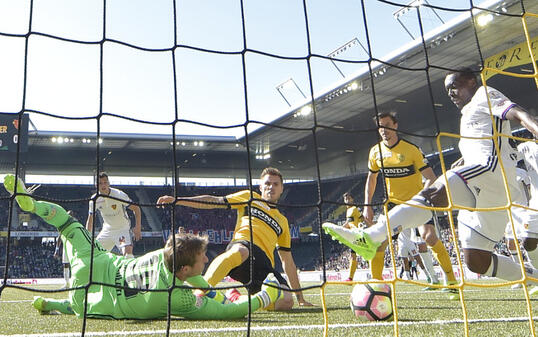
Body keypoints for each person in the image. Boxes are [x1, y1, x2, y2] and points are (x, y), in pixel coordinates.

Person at [324, 67, 538, 289]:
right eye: (447, 90)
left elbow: (519, 113)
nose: (451, 93)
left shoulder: (484, 94)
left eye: (454, 86)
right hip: (491, 192)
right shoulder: (468, 116)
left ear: (471, 82)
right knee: (476, 260)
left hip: (490, 175)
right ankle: (535, 277)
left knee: (435, 190)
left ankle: (371, 236)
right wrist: (462, 162)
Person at [3, 174, 281, 319]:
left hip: (97, 263)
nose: (206, 261)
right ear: (186, 269)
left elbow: (186, 261)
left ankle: (35, 204)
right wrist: (264, 297)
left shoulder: (166, 254)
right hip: (96, 301)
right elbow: (227, 311)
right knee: (79, 306)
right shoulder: (180, 300)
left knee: (66, 223)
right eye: (202, 259)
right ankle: (55, 303)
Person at [157, 167, 313, 310]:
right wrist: (179, 200)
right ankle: (200, 292)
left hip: (263, 266)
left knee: (286, 302)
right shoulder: (249, 197)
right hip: (243, 248)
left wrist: (300, 297)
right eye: (267, 183)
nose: (271, 187)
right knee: (242, 250)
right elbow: (215, 201)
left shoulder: (283, 221)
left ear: (281, 189)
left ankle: (237, 298)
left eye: (275, 184)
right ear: (260, 187)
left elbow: (287, 261)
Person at [353, 111, 457, 293]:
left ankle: (452, 281)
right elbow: (372, 179)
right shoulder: (375, 152)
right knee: (379, 243)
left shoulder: (412, 150)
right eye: (380, 127)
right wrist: (367, 205)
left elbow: (431, 177)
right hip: (393, 205)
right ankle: (376, 288)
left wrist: (423, 196)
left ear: (395, 126)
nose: (383, 130)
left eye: (387, 125)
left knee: (429, 237)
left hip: (417, 202)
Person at [85, 172, 142, 258]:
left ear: (109, 183)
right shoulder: (94, 200)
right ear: (96, 185)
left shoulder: (119, 195)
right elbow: (90, 219)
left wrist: (138, 227)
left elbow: (136, 208)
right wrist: (87, 237)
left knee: (128, 256)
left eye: (105, 182)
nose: (103, 185)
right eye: (100, 183)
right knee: (92, 255)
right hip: (107, 231)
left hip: (122, 230)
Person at [342, 192, 364, 281]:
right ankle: (350, 278)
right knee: (353, 255)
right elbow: (350, 223)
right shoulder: (349, 210)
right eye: (345, 199)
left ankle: (350, 278)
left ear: (352, 199)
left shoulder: (354, 209)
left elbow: (361, 218)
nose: (347, 200)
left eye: (349, 198)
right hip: (354, 235)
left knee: (357, 256)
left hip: (357, 235)